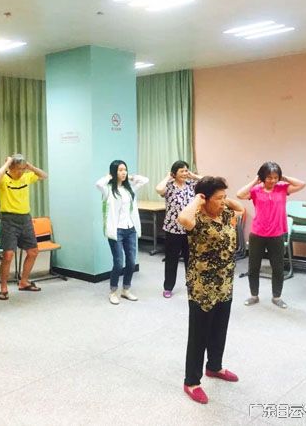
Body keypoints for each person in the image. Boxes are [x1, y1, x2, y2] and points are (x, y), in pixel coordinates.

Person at [178, 176, 245, 404]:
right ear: (204, 198)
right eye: (218, 198)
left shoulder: (225, 213)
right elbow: (182, 218)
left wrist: (224, 199)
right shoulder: (195, 218)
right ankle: (191, 381)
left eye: (224, 197)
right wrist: (197, 200)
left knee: (219, 329)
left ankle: (214, 366)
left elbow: (241, 208)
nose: (223, 202)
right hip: (202, 286)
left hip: (224, 283)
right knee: (199, 334)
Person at [237, 162, 305, 309]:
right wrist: (255, 181)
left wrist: (284, 178)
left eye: (275, 177)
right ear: (262, 177)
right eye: (269, 177)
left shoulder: (283, 188)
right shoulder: (255, 190)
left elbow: (302, 184)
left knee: (278, 268)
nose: (273, 180)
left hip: (276, 234)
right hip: (257, 233)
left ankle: (277, 297)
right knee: (253, 267)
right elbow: (239, 194)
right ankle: (254, 295)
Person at [0, 154, 47, 301]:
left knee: (33, 251)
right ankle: (3, 288)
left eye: (23, 169)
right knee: (8, 255)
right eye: (18, 169)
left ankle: (24, 281)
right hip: (8, 219)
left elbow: (44, 175)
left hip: (25, 219)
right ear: (10, 168)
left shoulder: (27, 177)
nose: (21, 172)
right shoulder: (4, 179)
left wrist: (30, 167)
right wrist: (7, 163)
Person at [96, 160, 148, 305]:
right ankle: (113, 291)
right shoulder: (108, 190)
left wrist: (129, 177)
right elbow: (98, 184)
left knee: (131, 262)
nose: (123, 172)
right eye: (120, 170)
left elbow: (145, 180)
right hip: (116, 230)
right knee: (118, 263)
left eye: (125, 169)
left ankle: (126, 290)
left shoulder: (129, 189)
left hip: (130, 229)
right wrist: (110, 176)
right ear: (114, 172)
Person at [155, 160, 201, 298]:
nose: (185, 173)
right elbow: (158, 189)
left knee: (190, 259)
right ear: (174, 173)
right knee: (171, 259)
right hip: (172, 229)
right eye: (182, 171)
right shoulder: (169, 186)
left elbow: (208, 182)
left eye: (186, 170)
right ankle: (168, 287)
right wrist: (168, 177)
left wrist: (193, 175)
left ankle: (191, 285)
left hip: (189, 228)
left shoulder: (191, 185)